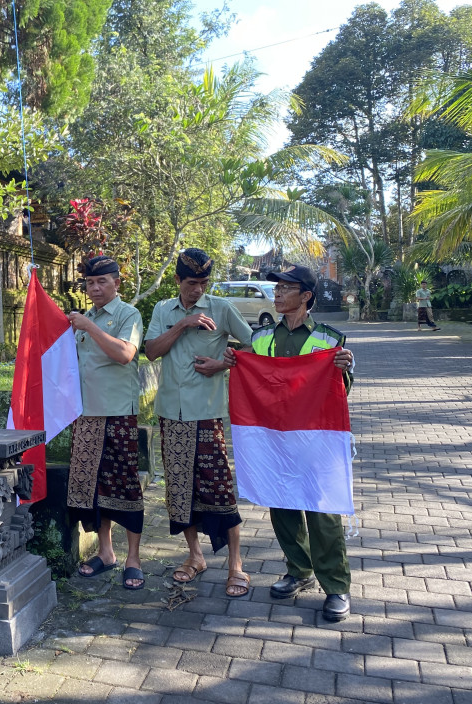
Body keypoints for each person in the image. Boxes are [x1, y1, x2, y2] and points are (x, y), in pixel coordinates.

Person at [224, 264, 355, 621]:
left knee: (321, 511)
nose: (278, 294)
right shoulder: (262, 337)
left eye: (286, 288)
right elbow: (254, 377)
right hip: (273, 439)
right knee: (281, 504)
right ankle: (298, 570)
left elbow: (340, 392)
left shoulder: (329, 339)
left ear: (306, 296)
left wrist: (344, 369)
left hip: (315, 439)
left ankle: (336, 585)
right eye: (277, 288)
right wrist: (234, 363)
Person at [145, 248, 254, 598]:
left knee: (219, 488)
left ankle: (236, 565)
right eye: (192, 283)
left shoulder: (221, 308)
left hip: (206, 415)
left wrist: (223, 365)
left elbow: (254, 346)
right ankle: (195, 557)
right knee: (179, 492)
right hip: (170, 415)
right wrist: (183, 323)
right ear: (178, 281)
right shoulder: (164, 310)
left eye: (204, 283)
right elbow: (151, 351)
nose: (198, 290)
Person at [66, 255, 146, 590]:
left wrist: (90, 328)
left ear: (117, 283)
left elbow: (125, 354)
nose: (95, 288)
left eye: (102, 282)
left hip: (117, 413)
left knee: (124, 484)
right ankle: (106, 552)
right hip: (85, 415)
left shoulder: (129, 314)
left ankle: (134, 559)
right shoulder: (85, 317)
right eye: (89, 283)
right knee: (94, 489)